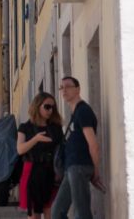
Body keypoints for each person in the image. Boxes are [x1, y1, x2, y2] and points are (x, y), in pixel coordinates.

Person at [52, 77, 103, 219]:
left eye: (68, 86)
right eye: (61, 87)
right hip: (71, 167)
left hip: (80, 166)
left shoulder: (83, 111)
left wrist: (96, 170)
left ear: (78, 89)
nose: (64, 90)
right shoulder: (75, 114)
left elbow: (93, 143)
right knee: (57, 212)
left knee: (81, 212)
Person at [17, 92, 64, 219]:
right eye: (47, 107)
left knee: (50, 211)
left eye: (53, 107)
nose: (50, 110)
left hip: (51, 171)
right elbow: (20, 149)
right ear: (37, 106)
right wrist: (35, 139)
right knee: (33, 214)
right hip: (31, 171)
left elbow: (61, 149)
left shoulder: (55, 128)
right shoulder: (25, 127)